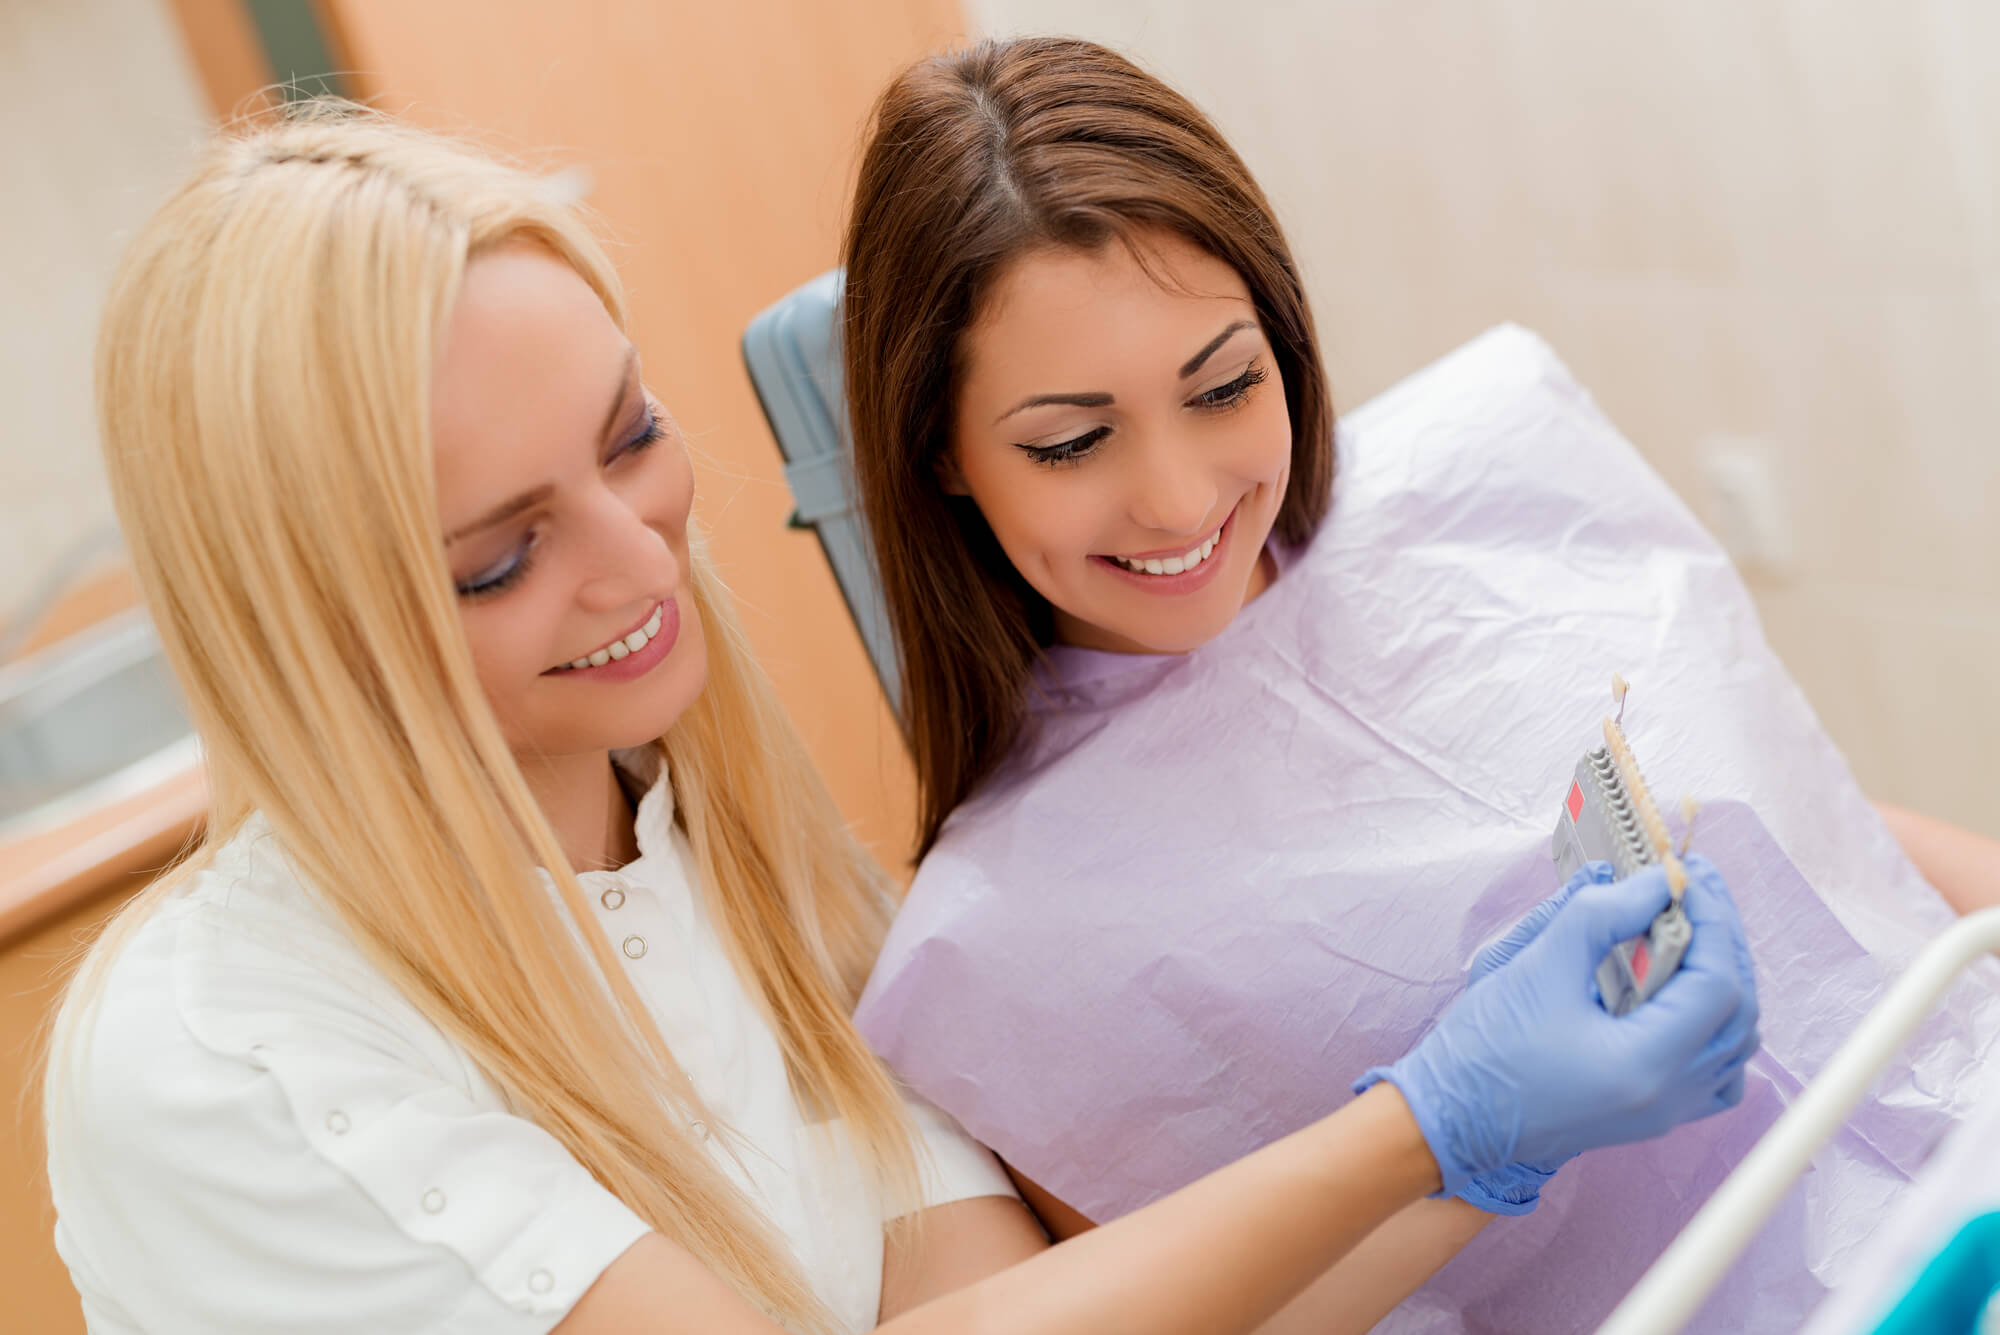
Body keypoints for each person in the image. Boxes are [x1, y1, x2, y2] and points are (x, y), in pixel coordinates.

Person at [39, 108, 1756, 1335]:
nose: (642, 559)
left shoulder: (743, 867)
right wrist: (1427, 1123)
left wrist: (1491, 1145)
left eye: (633, 438)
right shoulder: (225, 1064)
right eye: (500, 557)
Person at [839, 35, 2000, 1333]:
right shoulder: (997, 951)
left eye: (1223, 385)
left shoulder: (1491, 466)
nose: (1175, 498)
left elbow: (1820, 819)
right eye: (1072, 440)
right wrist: (1472, 1142)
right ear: (936, 447)